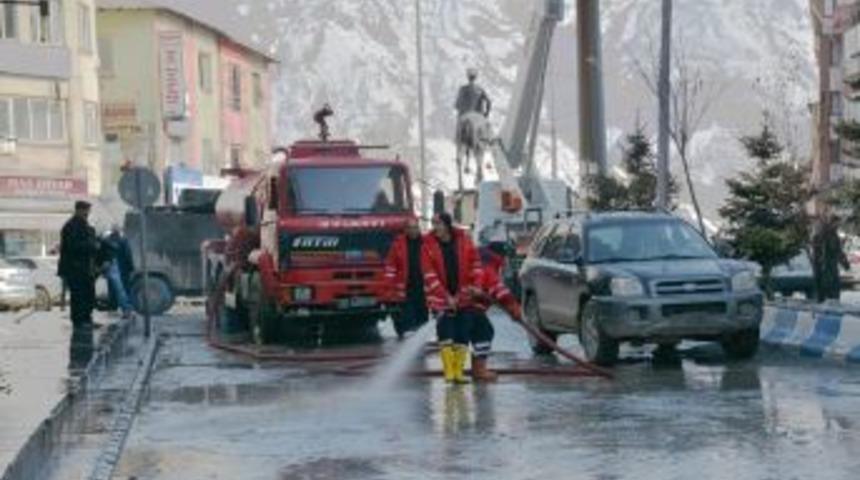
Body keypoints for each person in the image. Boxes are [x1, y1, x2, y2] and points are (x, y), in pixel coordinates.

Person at [421, 212, 484, 384]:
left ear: (447, 225)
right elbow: (429, 274)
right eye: (433, 224)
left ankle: (458, 372)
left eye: (438, 223)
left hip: (464, 296)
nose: (435, 227)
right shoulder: (427, 245)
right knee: (445, 334)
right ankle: (449, 372)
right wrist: (446, 297)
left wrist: (475, 287)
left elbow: (476, 265)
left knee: (462, 334)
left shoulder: (464, 240)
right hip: (440, 299)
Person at [464, 242, 524, 382]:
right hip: (471, 307)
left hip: (465, 307)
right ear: (500, 256)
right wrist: (513, 307)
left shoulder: (478, 259)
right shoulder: (488, 264)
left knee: (473, 335)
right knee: (485, 332)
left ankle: (474, 369)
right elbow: (497, 288)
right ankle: (479, 370)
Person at [58, 201, 100, 327]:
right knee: (78, 295)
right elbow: (73, 246)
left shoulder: (83, 225)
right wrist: (92, 245)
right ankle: (79, 321)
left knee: (88, 294)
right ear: (79, 210)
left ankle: (87, 318)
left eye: (88, 211)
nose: (88, 213)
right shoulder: (71, 226)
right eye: (86, 210)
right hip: (74, 267)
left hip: (85, 267)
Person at [385, 217, 428, 339]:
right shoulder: (398, 245)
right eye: (410, 228)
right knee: (409, 321)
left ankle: (419, 346)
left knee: (422, 319)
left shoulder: (426, 243)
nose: (413, 231)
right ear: (405, 230)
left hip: (423, 288)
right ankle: (409, 344)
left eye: (415, 227)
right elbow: (391, 267)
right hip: (406, 288)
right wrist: (390, 288)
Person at [812, 215, 850, 302]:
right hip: (828, 267)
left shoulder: (823, 234)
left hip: (823, 267)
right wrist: (845, 263)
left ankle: (824, 303)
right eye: (837, 223)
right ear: (833, 223)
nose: (838, 225)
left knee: (824, 290)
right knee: (831, 289)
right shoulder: (830, 235)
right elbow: (837, 251)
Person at [102, 225, 135, 318]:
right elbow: (128, 255)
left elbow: (103, 255)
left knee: (112, 289)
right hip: (123, 268)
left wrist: (104, 270)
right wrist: (131, 268)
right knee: (124, 289)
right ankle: (127, 309)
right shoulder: (123, 240)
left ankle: (113, 308)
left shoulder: (106, 240)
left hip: (111, 267)